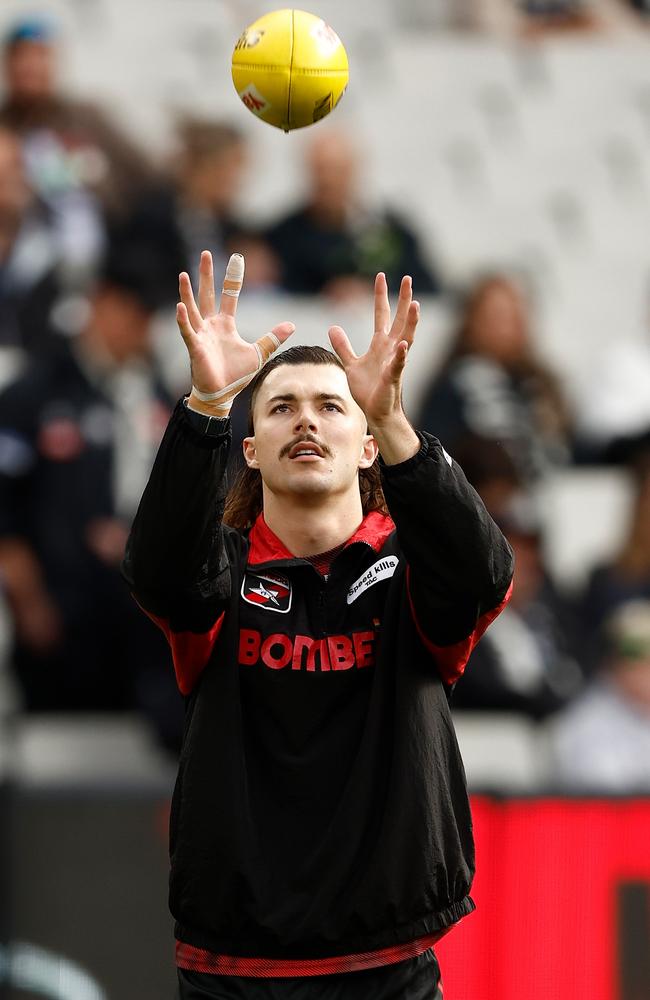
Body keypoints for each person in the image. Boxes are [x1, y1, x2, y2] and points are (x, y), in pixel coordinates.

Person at [123, 251, 514, 998]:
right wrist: (207, 403)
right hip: (233, 971)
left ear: (366, 447)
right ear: (251, 451)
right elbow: (159, 572)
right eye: (280, 406)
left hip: (387, 968)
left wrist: (397, 421)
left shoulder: (411, 572)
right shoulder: (221, 575)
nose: (306, 419)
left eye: (332, 406)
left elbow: (483, 575)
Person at [0, 246, 182, 749]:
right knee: (59, 761)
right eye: (137, 314)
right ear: (103, 305)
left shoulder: (156, 393)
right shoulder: (35, 393)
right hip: (61, 615)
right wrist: (29, 597)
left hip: (137, 624)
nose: (146, 331)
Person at [416, 272, 573, 484]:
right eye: (497, 317)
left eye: (515, 316)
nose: (508, 328)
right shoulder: (452, 388)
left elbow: (568, 449)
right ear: (471, 321)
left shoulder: (541, 386)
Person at [265, 128, 441, 302]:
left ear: (354, 171)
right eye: (320, 170)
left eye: (337, 170)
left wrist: (373, 293)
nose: (328, 180)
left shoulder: (392, 233)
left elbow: (427, 291)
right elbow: (272, 291)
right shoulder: (282, 237)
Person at [547, 598, 650, 791]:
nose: (645, 670)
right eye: (639, 659)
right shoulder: (585, 723)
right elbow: (603, 802)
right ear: (613, 661)